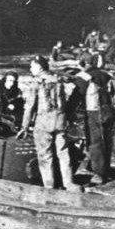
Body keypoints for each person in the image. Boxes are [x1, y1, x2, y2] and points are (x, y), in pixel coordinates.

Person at [18, 56, 79, 191]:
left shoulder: (36, 82)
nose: (30, 68)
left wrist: (24, 127)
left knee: (45, 156)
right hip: (60, 121)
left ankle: (49, 186)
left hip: (43, 123)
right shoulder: (58, 80)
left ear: (39, 67)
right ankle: (69, 183)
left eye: (32, 66)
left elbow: (29, 107)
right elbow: (64, 101)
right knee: (63, 153)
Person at [70, 53, 115, 184]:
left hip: (93, 112)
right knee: (106, 140)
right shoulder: (105, 74)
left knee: (95, 142)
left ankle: (99, 174)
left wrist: (68, 111)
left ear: (82, 63)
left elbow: (76, 96)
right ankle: (104, 168)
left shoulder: (84, 76)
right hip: (108, 111)